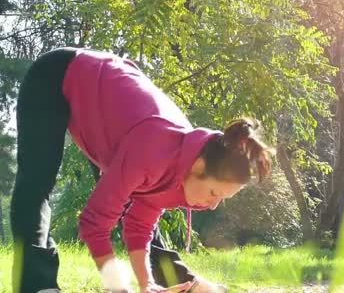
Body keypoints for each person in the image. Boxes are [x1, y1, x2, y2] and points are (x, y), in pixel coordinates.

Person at [9, 47, 273, 293]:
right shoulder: (154, 151)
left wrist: (145, 285)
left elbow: (139, 224)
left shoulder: (183, 166)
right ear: (200, 166)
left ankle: (170, 280)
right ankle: (38, 285)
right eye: (215, 192)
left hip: (115, 117)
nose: (214, 205)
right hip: (57, 75)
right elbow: (94, 225)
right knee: (36, 183)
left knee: (129, 198)